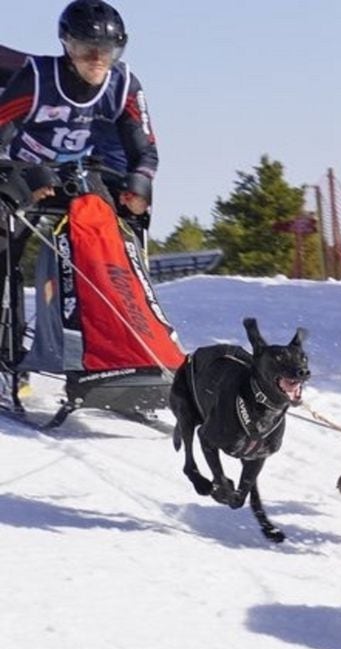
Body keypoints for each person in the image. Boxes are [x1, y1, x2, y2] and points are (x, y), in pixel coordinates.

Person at [0, 0, 158, 392]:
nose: (98, 59)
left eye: (108, 50)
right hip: (18, 167)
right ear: (68, 46)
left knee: (113, 245)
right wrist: (33, 171)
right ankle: (8, 358)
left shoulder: (123, 85)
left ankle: (122, 353)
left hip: (77, 172)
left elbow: (144, 151)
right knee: (5, 252)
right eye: (88, 49)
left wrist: (139, 183)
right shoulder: (37, 78)